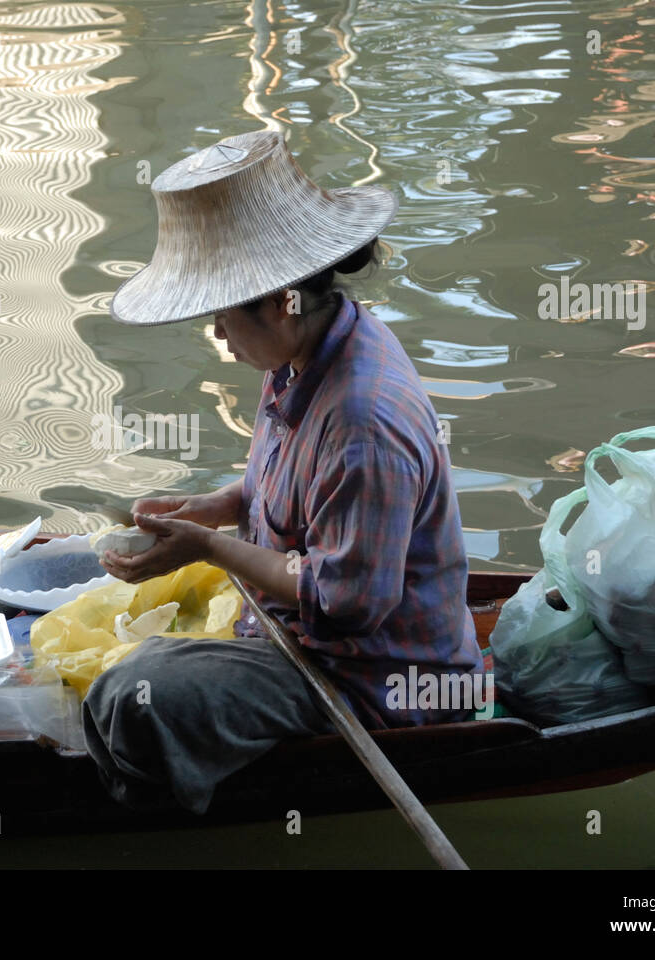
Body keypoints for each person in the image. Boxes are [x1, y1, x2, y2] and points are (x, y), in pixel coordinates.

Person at [82, 130, 484, 815]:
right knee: (134, 680)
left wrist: (210, 548)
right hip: (287, 634)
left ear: (278, 303)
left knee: (136, 695)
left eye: (221, 313)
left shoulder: (363, 421)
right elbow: (293, 493)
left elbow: (347, 603)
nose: (216, 333)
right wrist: (214, 508)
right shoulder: (305, 350)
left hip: (370, 677)